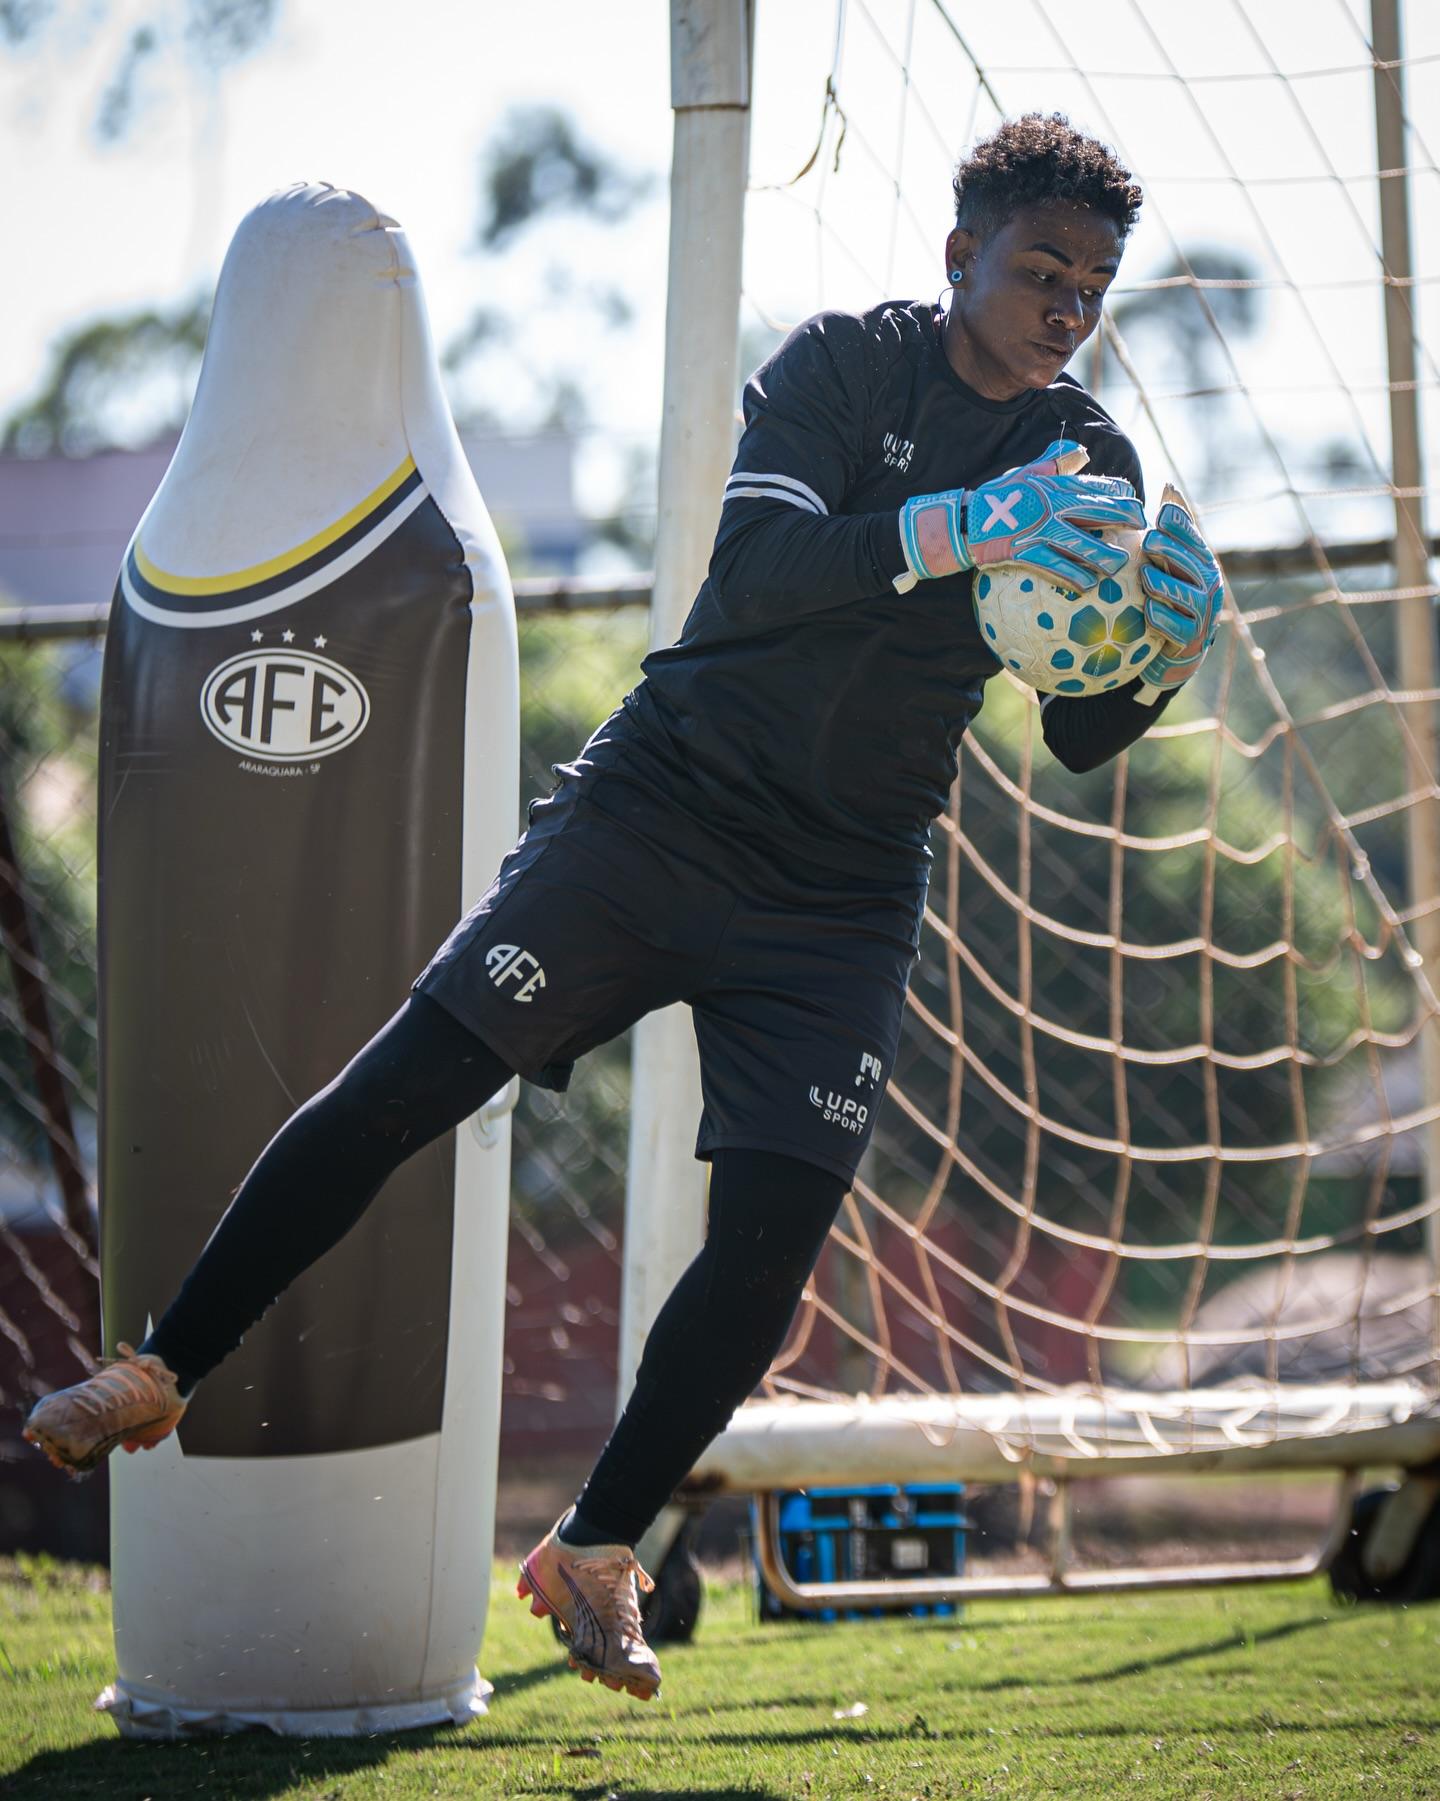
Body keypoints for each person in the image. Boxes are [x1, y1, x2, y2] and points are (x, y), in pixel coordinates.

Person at [24, 113, 1223, 1701]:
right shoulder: (840, 366)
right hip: (663, 810)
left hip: (845, 887)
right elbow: (763, 568)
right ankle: (165, 1363)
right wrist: (952, 527)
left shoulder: (1089, 456)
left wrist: (1156, 659)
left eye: (1094, 284)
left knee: (771, 1242)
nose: (1069, 305)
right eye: (1042, 268)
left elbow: (1072, 729)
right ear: (962, 256)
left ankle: (597, 1546)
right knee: (413, 1080)